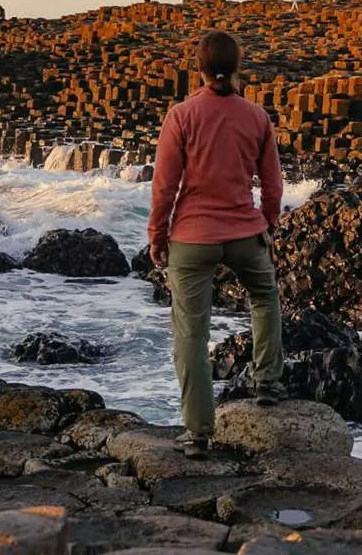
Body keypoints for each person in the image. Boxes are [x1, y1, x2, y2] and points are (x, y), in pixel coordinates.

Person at [148, 30, 285, 460]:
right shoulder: (257, 117)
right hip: (245, 234)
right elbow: (273, 184)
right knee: (264, 297)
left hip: (192, 238)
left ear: (199, 68)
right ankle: (267, 383)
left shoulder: (182, 115)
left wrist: (157, 235)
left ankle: (198, 432)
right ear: (238, 65)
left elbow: (164, 186)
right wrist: (267, 222)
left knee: (191, 331)